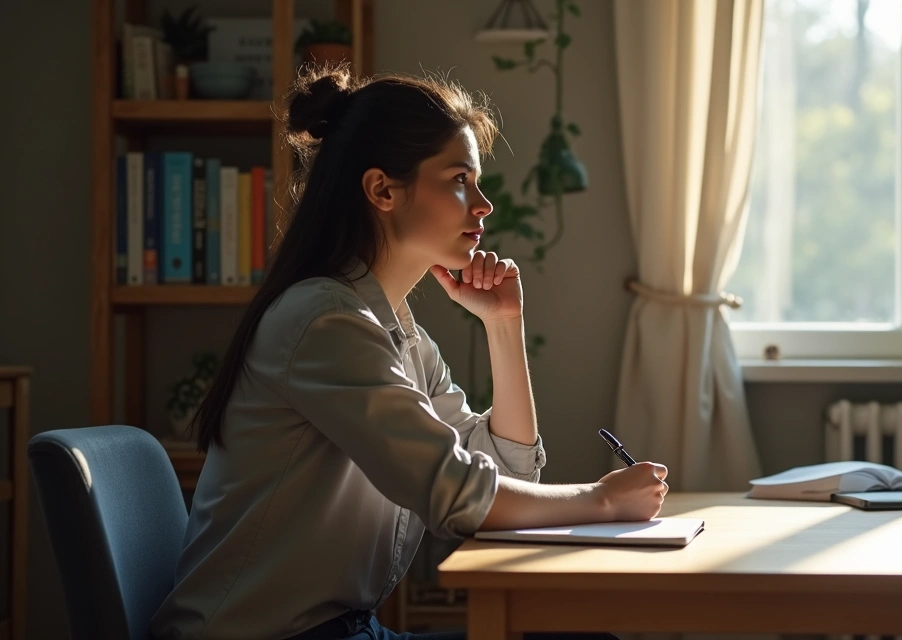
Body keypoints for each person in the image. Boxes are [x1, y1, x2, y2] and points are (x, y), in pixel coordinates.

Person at [148, 66, 669, 640]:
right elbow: (455, 495)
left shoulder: (396, 329)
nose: (483, 204)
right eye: (459, 180)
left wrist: (503, 325)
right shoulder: (326, 323)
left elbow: (503, 469)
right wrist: (601, 501)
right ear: (383, 191)